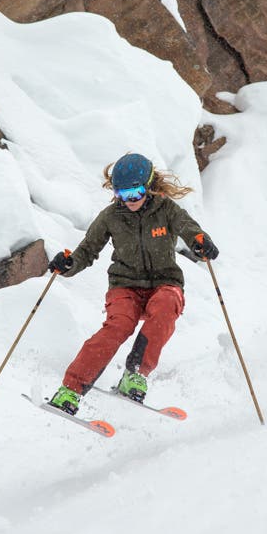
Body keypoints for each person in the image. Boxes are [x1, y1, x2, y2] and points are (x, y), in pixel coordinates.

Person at [47, 152, 219, 414]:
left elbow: (190, 229)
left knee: (166, 305)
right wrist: (69, 265)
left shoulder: (167, 210)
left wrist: (200, 242)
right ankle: (70, 391)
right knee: (119, 325)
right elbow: (86, 251)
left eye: (136, 193)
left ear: (148, 187)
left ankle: (135, 373)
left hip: (164, 283)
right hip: (124, 286)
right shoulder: (110, 217)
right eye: (123, 194)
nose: (130, 201)